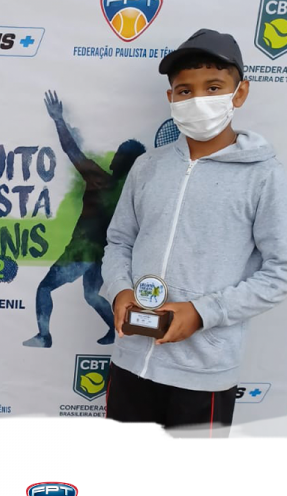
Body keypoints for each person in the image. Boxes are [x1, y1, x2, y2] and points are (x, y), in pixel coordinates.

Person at [101, 29, 287, 433]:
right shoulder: (148, 167)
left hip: (203, 374)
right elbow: (119, 242)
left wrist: (203, 313)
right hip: (130, 360)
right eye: (185, 91)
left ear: (239, 93)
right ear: (171, 98)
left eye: (213, 87)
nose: (198, 100)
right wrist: (120, 291)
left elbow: (280, 273)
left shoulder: (266, 177)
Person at [23, 90, 145, 347]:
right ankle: (115, 330)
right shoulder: (134, 195)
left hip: (82, 252)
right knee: (91, 295)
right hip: (103, 255)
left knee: (44, 288)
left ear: (119, 161)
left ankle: (44, 336)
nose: (114, 156)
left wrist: (58, 120)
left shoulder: (101, 180)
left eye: (118, 154)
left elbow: (71, 150)